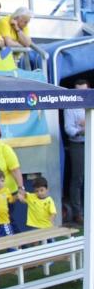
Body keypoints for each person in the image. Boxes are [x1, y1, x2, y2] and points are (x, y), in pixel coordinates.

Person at [63, 79, 89, 225]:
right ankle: (78, 213)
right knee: (78, 178)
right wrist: (82, 130)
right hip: (78, 144)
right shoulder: (70, 106)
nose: (82, 93)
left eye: (84, 91)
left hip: (91, 142)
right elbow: (69, 129)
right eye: (78, 90)